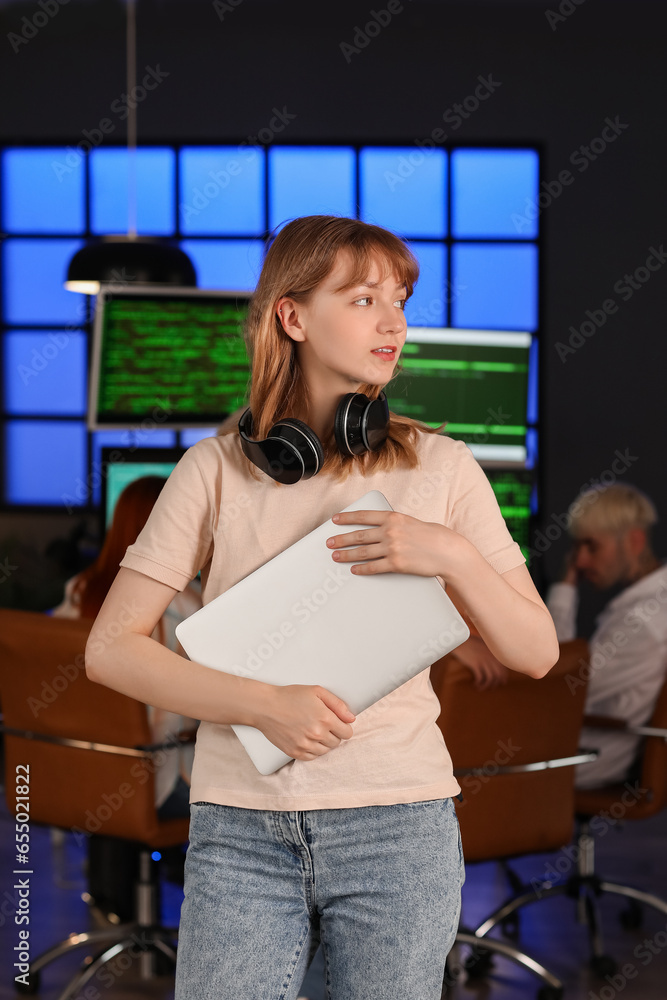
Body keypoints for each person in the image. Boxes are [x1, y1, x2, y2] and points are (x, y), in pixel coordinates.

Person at [85, 215, 559, 1000]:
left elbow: (535, 651)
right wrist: (262, 704)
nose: (393, 320)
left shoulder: (442, 465)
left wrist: (447, 554)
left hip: (398, 825)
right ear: (292, 315)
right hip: (241, 827)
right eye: (364, 297)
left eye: (400, 299)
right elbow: (111, 649)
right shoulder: (210, 468)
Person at [52, 475, 201, 916]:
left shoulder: (79, 591)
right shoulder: (188, 605)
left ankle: (114, 906)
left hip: (82, 775)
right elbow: (184, 712)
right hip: (152, 782)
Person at [546, 483, 667, 790]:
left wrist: (565, 587)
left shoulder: (642, 622)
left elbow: (554, 689)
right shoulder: (653, 605)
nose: (580, 561)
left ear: (634, 542)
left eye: (591, 546)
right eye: (577, 549)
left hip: (585, 761)